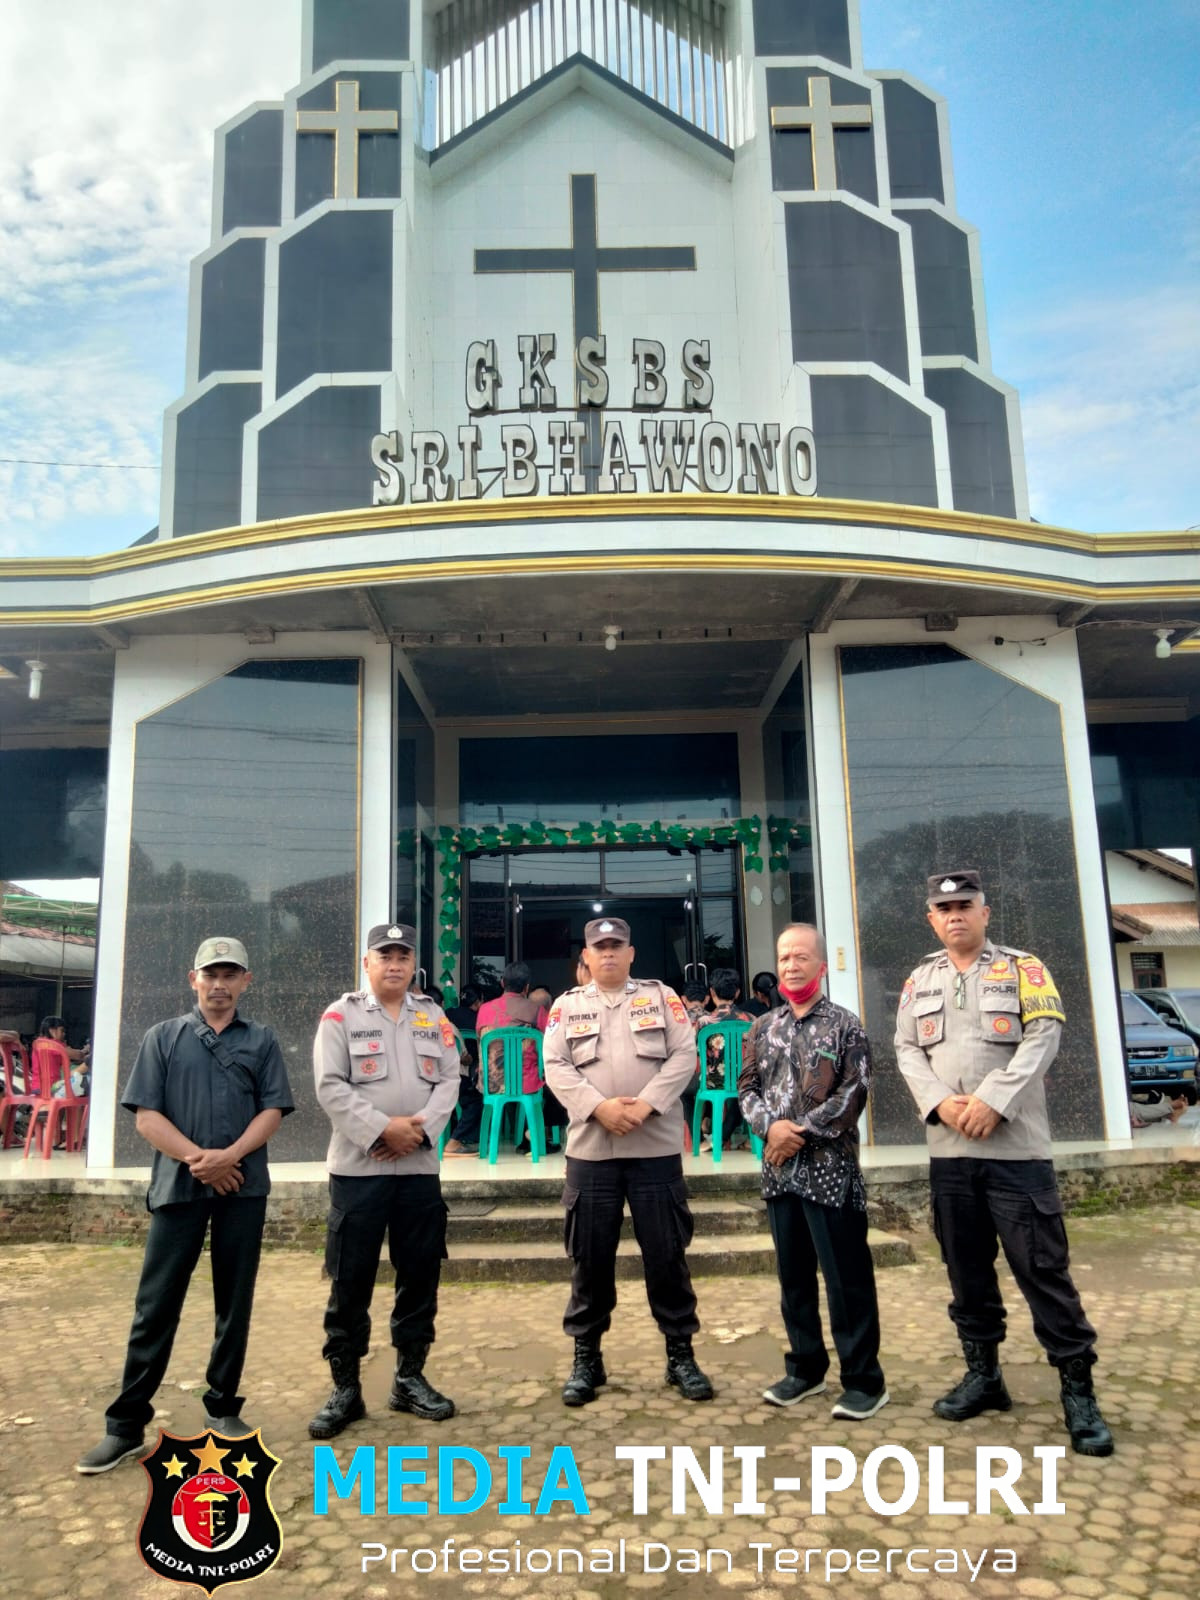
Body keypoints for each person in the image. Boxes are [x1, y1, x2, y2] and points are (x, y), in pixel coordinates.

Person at [894, 870, 1113, 1457]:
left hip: (1015, 1152)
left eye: (965, 905)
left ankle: (1078, 1393)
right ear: (931, 919)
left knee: (1042, 1270)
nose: (955, 915)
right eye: (944, 908)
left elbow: (1043, 1035)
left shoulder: (1023, 968)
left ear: (985, 913)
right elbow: (906, 1048)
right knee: (966, 1272)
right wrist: (941, 1102)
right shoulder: (920, 978)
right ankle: (985, 1377)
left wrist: (994, 1099)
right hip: (951, 1154)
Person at [76, 938, 293, 1474]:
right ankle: (125, 1426)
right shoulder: (163, 1038)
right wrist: (200, 1160)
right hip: (179, 1186)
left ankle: (222, 1408)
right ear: (191, 979)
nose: (219, 984)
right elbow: (146, 1117)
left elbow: (272, 1111)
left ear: (247, 981)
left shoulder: (262, 1040)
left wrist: (232, 1157)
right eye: (210, 974)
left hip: (243, 1185)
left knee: (233, 1300)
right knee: (156, 1305)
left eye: (230, 974)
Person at [542, 917, 713, 1407]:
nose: (610, 954)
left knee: (667, 1256)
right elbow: (555, 1065)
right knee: (589, 1260)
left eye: (618, 945)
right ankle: (587, 1358)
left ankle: (680, 1354)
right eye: (601, 947)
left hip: (654, 1147)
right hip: (592, 1152)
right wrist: (599, 1108)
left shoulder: (662, 997)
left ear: (632, 953)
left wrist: (646, 1105)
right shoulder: (565, 1007)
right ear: (587, 957)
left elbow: (685, 1055)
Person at [309, 923, 461, 1439]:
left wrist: (417, 1134)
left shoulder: (432, 1015)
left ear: (413, 962)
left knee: (419, 1276)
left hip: (418, 1170)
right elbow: (329, 1085)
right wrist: (381, 1130)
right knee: (350, 1280)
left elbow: (449, 1078)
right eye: (384, 955)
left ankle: (409, 1378)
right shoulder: (340, 1015)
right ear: (367, 963)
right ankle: (345, 1389)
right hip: (359, 1169)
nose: (395, 963)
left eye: (403, 955)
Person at [738, 925, 888, 1420]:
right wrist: (769, 1129)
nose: (791, 965)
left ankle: (864, 1380)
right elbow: (747, 1090)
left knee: (846, 1279)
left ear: (821, 965)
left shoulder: (846, 1026)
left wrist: (793, 1131)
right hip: (780, 1174)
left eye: (801, 956)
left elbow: (853, 1094)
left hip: (830, 1171)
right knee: (794, 1277)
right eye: (784, 957)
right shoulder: (763, 1028)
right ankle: (804, 1369)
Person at [475, 961, 565, 1152]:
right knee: (555, 1083)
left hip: (491, 1083)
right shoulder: (538, 1011)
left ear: (502, 983)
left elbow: (479, 1041)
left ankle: (517, 1138)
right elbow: (551, 1042)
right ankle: (535, 1135)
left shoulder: (484, 1010)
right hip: (527, 1083)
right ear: (526, 987)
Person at [444, 984, 483, 1155]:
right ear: (478, 1002)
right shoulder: (479, 1019)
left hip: (442, 1073)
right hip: (465, 1071)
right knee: (478, 1098)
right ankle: (463, 1139)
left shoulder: (448, 1015)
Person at [32, 1015, 89, 1094]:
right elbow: (78, 1055)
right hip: (52, 1087)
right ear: (52, 1030)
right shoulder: (54, 1044)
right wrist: (86, 1049)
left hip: (36, 1087)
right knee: (86, 1084)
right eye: (62, 1031)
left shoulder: (38, 1043)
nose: (64, 1034)